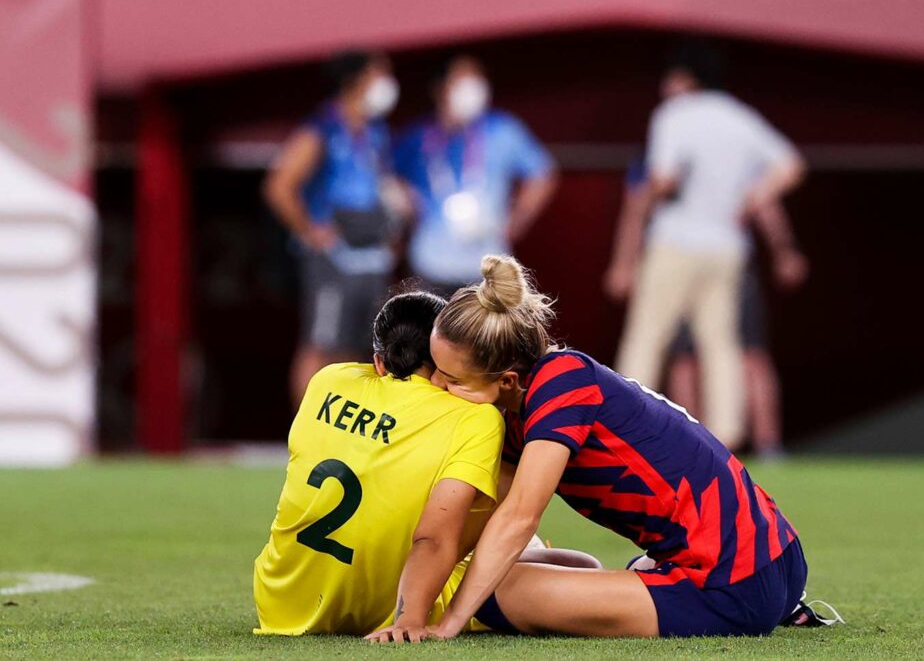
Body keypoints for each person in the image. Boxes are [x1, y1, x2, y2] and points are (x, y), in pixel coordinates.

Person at [374, 255, 817, 641]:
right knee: (491, 571)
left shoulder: (561, 385)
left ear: (506, 380)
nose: (435, 385)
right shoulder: (529, 403)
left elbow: (519, 518)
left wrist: (449, 622)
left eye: (450, 380)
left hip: (731, 584)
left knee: (492, 593)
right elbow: (483, 519)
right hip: (772, 558)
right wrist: (411, 604)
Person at [253, 291, 505, 636]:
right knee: (529, 538)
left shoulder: (328, 380)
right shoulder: (475, 419)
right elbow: (433, 538)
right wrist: (409, 621)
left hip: (281, 602)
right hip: (392, 605)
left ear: (379, 361)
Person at [609, 44, 805, 449]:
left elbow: (662, 178)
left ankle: (623, 424)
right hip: (727, 246)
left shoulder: (673, 115)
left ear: (684, 79)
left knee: (648, 334)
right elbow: (790, 165)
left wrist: (649, 199)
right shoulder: (739, 117)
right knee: (721, 342)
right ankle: (726, 431)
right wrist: (751, 198)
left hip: (676, 241)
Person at [613, 158, 809, 457]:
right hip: (676, 257)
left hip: (725, 260)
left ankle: (762, 444)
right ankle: (689, 439)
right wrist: (625, 262)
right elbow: (638, 205)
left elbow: (765, 199)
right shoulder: (659, 149)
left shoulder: (729, 149)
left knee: (744, 353)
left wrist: (783, 248)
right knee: (683, 357)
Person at [264, 50, 404, 406]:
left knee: (363, 349)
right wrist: (310, 229)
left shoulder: (375, 131)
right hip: (334, 258)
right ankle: (305, 433)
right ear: (357, 80)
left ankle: (344, 433)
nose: (387, 84)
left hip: (370, 255)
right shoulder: (322, 128)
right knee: (322, 343)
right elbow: (279, 185)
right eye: (379, 75)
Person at [394, 55, 558, 297]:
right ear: (441, 88)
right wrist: (407, 207)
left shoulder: (502, 129)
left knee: (484, 335)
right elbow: (386, 176)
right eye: (463, 80)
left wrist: (518, 219)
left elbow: (543, 173)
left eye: (477, 79)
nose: (473, 87)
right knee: (430, 333)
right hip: (431, 264)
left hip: (487, 267)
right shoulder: (418, 136)